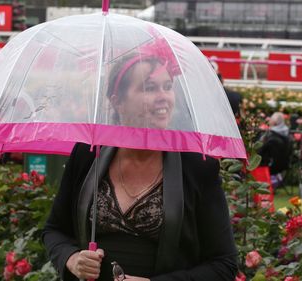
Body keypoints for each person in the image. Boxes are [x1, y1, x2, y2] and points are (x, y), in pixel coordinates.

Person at [42, 38, 238, 281]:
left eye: (167, 86)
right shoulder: (88, 153)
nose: (163, 97)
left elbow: (224, 264)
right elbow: (55, 230)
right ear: (117, 101)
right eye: (149, 88)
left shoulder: (197, 165)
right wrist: (71, 259)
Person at [258, 112, 292, 188]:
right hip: (285, 164)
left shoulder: (271, 136)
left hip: (271, 166)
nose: (269, 121)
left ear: (275, 122)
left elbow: (261, 151)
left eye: (271, 120)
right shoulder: (287, 133)